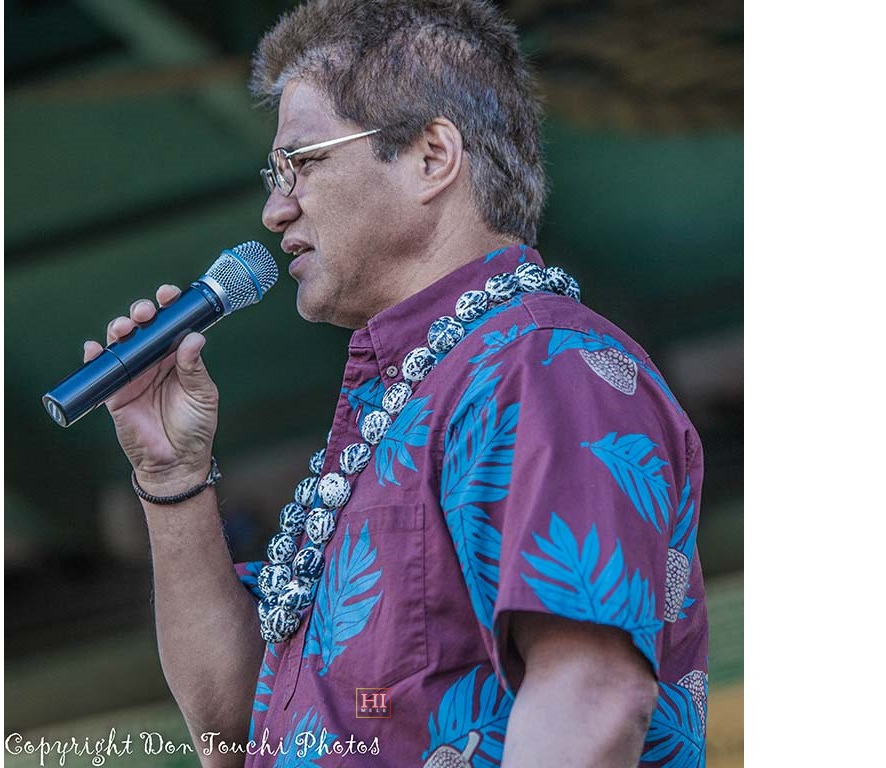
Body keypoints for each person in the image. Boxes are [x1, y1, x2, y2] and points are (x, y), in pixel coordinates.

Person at [82, 1, 708, 765]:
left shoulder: (543, 364)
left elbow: (592, 698)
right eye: (275, 174)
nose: (276, 209)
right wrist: (172, 478)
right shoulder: (409, 401)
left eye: (303, 162)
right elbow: (234, 732)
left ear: (432, 157)